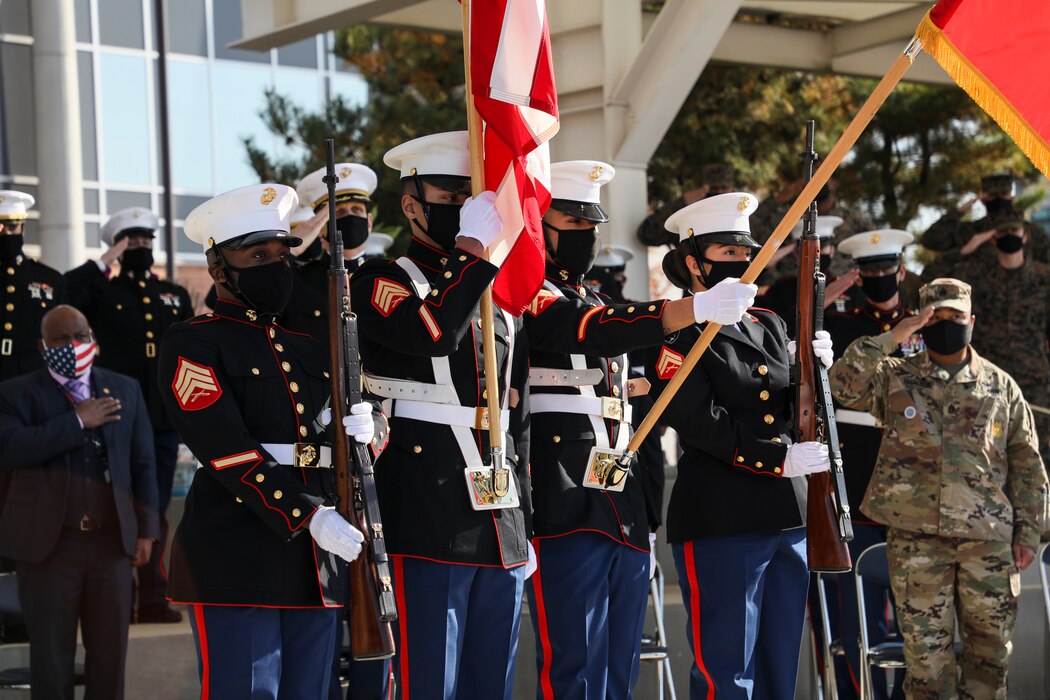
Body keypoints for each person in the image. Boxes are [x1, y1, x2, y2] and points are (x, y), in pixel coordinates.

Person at [522, 161, 757, 699]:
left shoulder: (599, 301)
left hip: (619, 504)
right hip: (563, 499)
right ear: (539, 224)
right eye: (571, 224)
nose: (584, 236)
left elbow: (643, 415)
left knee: (620, 663)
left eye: (590, 226)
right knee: (574, 667)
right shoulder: (529, 295)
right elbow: (585, 331)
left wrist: (648, 510)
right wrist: (686, 307)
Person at [159, 183, 378, 698]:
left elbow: (353, 427)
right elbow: (225, 450)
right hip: (237, 550)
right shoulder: (192, 341)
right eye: (258, 255)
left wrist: (374, 429)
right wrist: (308, 513)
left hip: (316, 558)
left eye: (282, 254)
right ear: (218, 269)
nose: (276, 267)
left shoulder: (307, 345)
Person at [349, 131, 529, 699]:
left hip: (498, 509)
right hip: (426, 504)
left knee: (489, 681)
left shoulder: (489, 288)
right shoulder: (382, 278)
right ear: (411, 203)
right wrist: (472, 252)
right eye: (451, 197)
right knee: (430, 679)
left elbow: (510, 409)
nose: (464, 208)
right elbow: (431, 333)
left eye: (472, 197)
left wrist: (525, 518)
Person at [647, 192, 833, 700]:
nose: (742, 260)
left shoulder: (767, 322)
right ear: (693, 262)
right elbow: (699, 421)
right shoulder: (677, 329)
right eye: (728, 252)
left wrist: (815, 369)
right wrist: (777, 458)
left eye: (745, 250)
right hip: (722, 518)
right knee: (727, 673)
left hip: (787, 515)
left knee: (779, 669)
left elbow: (794, 403)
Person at [829, 277, 1049, 700]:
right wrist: (894, 336)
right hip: (917, 545)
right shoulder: (895, 377)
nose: (947, 324)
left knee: (989, 664)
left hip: (987, 544)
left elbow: (1027, 463)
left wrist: (1028, 534)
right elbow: (842, 386)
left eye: (956, 316)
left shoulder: (1001, 386)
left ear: (973, 320)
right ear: (920, 320)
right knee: (927, 669)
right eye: (936, 316)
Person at [0, 305, 159, 699]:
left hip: (112, 546)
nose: (73, 346)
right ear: (42, 346)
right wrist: (76, 422)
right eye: (61, 339)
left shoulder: (125, 388)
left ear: (94, 342)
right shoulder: (15, 392)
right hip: (49, 549)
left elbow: (144, 464)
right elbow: (11, 449)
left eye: (80, 336)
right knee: (52, 664)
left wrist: (147, 531)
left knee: (110, 660)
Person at [63, 207, 192, 624]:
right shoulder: (104, 290)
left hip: (163, 413)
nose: (139, 247)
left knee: (153, 504)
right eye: (129, 242)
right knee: (117, 499)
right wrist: (105, 260)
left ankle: (153, 596)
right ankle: (115, 596)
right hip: (117, 413)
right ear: (118, 246)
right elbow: (66, 296)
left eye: (144, 241)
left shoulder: (172, 293)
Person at [820, 229, 917, 700]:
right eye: (871, 273)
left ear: (902, 271)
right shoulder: (838, 326)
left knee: (921, 623)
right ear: (860, 278)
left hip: (916, 495)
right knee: (856, 622)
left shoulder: (925, 326)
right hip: (857, 488)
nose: (881, 280)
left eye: (888, 271)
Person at [922, 217, 1050, 465]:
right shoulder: (975, 276)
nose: (1008, 235)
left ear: (1026, 236)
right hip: (988, 383)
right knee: (989, 455)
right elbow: (930, 278)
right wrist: (967, 248)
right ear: (992, 237)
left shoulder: (1045, 277)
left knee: (1038, 457)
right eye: (1002, 231)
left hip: (1036, 384)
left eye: (1014, 229)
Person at [286, 163, 379, 346]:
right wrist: (291, 250)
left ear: (369, 222)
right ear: (321, 228)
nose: (350, 217)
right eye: (339, 212)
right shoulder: (298, 281)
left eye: (357, 210)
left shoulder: (385, 276)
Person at [0, 190, 67, 380]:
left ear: (23, 228)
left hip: (31, 378)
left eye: (11, 227)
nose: (5, 233)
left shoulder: (50, 279)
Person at [921, 172, 1050, 265]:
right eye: (993, 195)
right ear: (983, 199)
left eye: (1003, 193)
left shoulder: (1031, 231)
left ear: (1011, 197)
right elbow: (930, 240)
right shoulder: (971, 231)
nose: (999, 198)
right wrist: (959, 212)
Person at [756, 215, 861, 325]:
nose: (816, 254)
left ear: (832, 251)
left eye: (822, 248)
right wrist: (764, 264)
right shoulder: (783, 289)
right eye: (808, 250)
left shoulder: (846, 287)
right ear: (796, 254)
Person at [636, 163, 736, 247]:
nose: (718, 193)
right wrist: (683, 202)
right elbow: (646, 235)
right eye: (713, 189)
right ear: (704, 190)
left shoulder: (745, 213)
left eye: (723, 188)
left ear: (732, 190)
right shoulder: (690, 216)